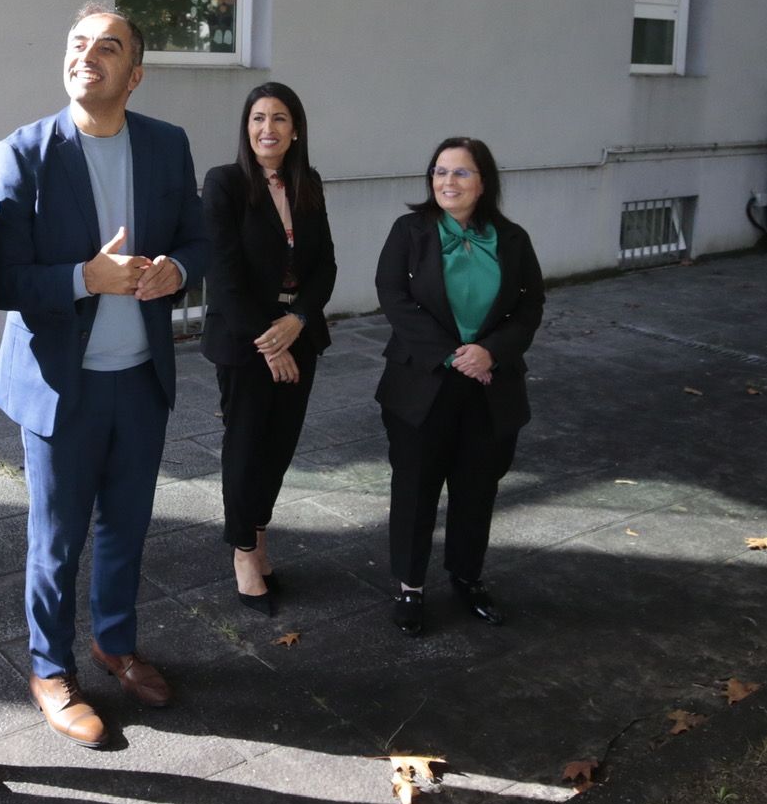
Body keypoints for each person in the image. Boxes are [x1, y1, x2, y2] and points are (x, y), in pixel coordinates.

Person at [0, 2, 210, 745]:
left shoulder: (166, 147)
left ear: (134, 74)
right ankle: (50, 669)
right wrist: (87, 277)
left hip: (140, 377)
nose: (90, 55)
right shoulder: (24, 151)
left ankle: (115, 643)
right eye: (79, 43)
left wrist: (174, 269)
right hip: (61, 385)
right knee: (57, 539)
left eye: (108, 47)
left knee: (126, 528)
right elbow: (4, 278)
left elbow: (198, 240)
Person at [374, 136, 545, 637]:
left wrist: (490, 350)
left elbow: (530, 306)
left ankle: (467, 577)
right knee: (415, 488)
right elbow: (394, 296)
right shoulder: (410, 231)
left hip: (492, 385)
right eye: (440, 171)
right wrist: (453, 354)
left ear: (483, 182)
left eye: (461, 173)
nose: (447, 181)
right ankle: (409, 585)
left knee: (476, 489)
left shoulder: (513, 239)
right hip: (421, 384)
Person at [199, 82, 336, 614]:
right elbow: (224, 274)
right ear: (246, 127)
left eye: (279, 118)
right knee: (246, 446)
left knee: (280, 446)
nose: (267, 129)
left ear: (295, 129)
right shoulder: (226, 183)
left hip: (298, 334)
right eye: (258, 118)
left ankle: (259, 533)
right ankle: (243, 552)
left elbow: (325, 266)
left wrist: (298, 320)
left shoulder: (308, 184)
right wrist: (269, 343)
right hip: (245, 339)